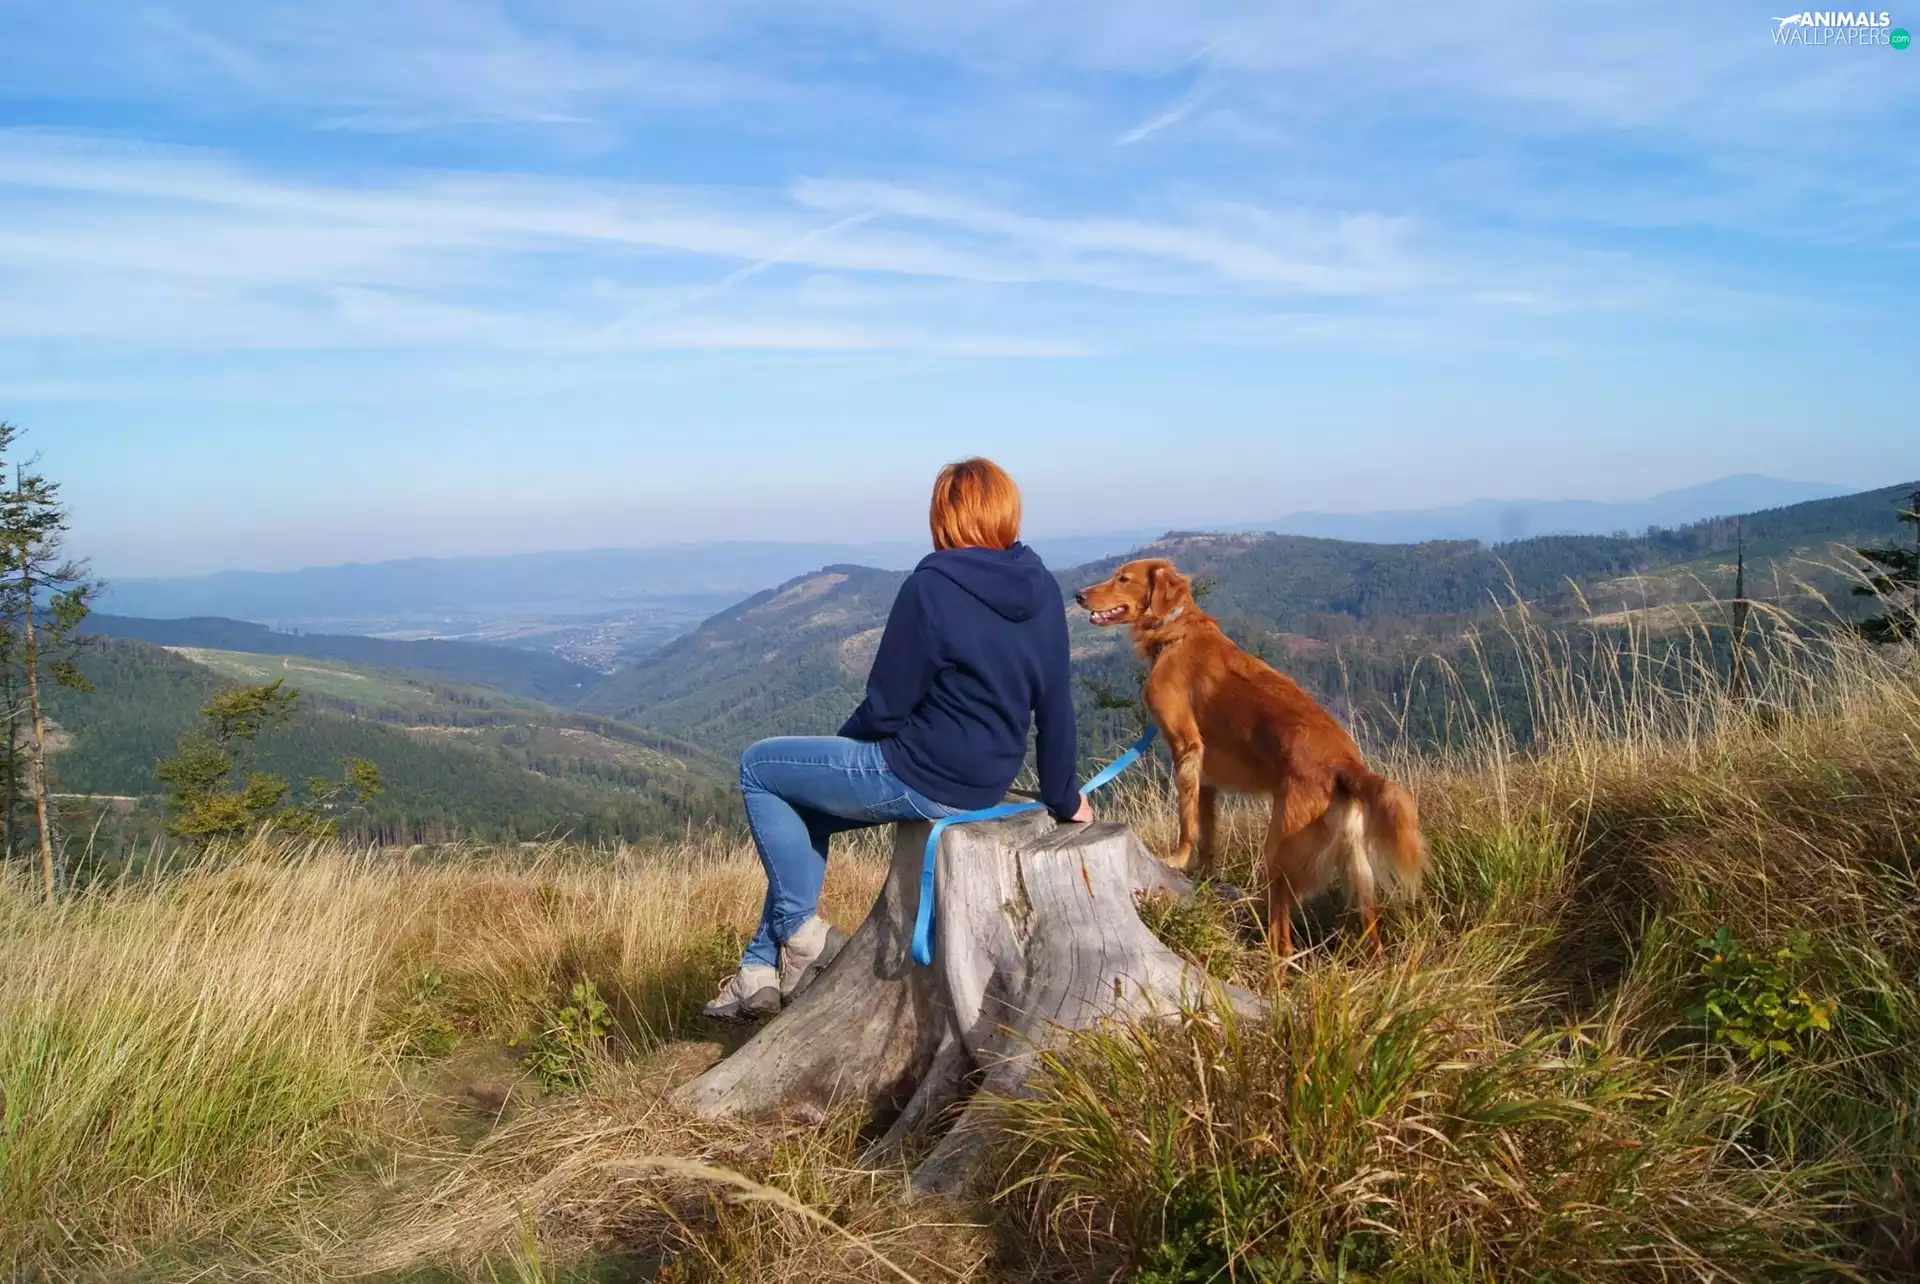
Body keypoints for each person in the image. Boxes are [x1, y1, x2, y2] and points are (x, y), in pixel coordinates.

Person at [704, 457, 1090, 1019]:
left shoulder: (932, 587)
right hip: (986, 780)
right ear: (1007, 510)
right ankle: (758, 975)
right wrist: (1064, 794)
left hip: (917, 772)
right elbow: (1055, 703)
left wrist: (845, 754)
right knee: (802, 813)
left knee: (761, 768)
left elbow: (886, 706)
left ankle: (802, 935)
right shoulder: (1041, 588)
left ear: (946, 515)